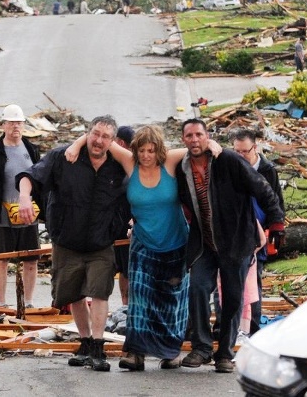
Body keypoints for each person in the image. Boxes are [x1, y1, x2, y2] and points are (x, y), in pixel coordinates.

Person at [64, 126, 220, 371]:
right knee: (140, 299)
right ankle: (136, 353)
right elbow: (99, 137)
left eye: (151, 150)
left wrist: (211, 145)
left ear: (158, 150)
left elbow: (195, 146)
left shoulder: (168, 161)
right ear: (135, 150)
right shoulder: (130, 162)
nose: (146, 155)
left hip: (176, 242)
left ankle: (170, 353)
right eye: (142, 150)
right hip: (143, 243)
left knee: (172, 300)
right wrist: (76, 144)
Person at [16, 115, 128, 372]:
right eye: (95, 134)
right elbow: (31, 175)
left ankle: (98, 347)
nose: (98, 140)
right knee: (74, 293)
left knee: (100, 292)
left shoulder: (117, 166)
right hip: (67, 240)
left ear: (112, 142)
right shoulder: (63, 158)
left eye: (105, 137)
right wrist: (24, 196)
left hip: (101, 242)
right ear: (88, 133)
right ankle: (85, 342)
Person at [175, 119, 285, 374]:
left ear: (207, 136)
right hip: (205, 243)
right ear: (183, 139)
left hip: (236, 241)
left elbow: (263, 189)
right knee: (198, 288)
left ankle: (224, 353)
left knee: (233, 298)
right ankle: (201, 348)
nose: (194, 140)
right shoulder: (182, 169)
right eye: (189, 135)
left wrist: (277, 222)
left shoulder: (229, 161)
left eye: (199, 135)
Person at [0, 104, 41, 308]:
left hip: (29, 214)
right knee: (2, 260)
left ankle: (29, 302)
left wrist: (46, 210)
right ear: (3, 125)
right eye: (12, 122)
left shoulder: (31, 150)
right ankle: (2, 303)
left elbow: (41, 179)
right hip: (2, 216)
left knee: (31, 260)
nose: (16, 126)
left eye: (19, 122)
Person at [231, 128, 286, 335]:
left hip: (259, 234)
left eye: (245, 151)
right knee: (229, 281)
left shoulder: (267, 170)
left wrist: (275, 228)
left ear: (255, 147)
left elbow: (276, 202)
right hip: (235, 232)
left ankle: (252, 328)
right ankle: (228, 327)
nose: (241, 156)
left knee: (254, 282)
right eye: (237, 152)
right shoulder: (230, 167)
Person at [113, 126, 135, 307]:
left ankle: (128, 305)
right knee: (124, 270)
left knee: (128, 270)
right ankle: (125, 304)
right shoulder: (114, 163)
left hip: (129, 224)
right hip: (117, 226)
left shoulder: (132, 165)